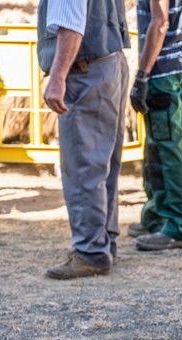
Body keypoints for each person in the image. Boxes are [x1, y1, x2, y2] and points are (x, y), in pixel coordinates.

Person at [38, 0, 130, 279]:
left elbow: (71, 25)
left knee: (83, 164)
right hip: (109, 62)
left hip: (84, 69)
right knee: (104, 163)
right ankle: (103, 241)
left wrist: (57, 77)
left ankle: (90, 251)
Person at [128, 0, 182, 251]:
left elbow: (160, 22)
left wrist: (142, 74)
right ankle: (159, 214)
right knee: (160, 143)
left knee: (166, 146)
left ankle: (179, 224)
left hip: (163, 73)